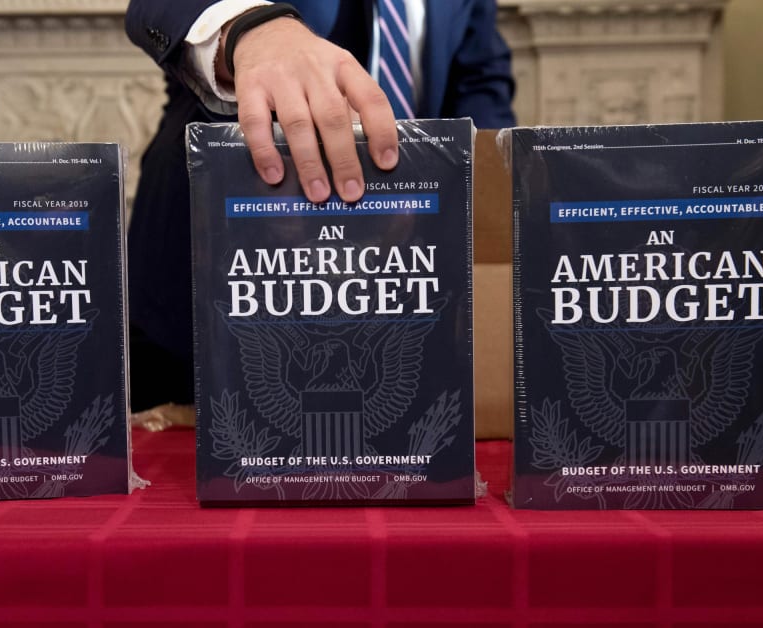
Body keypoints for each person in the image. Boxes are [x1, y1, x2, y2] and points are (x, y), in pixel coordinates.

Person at [124, 0, 515, 411]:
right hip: (217, 280)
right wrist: (256, 31)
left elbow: (480, 84)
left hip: (399, 287)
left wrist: (481, 187)